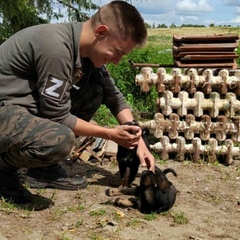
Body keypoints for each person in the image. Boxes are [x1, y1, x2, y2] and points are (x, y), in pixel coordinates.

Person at [0, 0, 155, 204]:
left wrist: (139, 142)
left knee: (94, 92)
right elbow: (57, 117)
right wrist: (109, 134)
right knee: (60, 138)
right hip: (4, 108)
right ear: (100, 33)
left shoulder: (86, 52)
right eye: (117, 52)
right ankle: (3, 173)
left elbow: (114, 97)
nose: (117, 61)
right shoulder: (56, 49)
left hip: (20, 109)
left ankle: (43, 169)